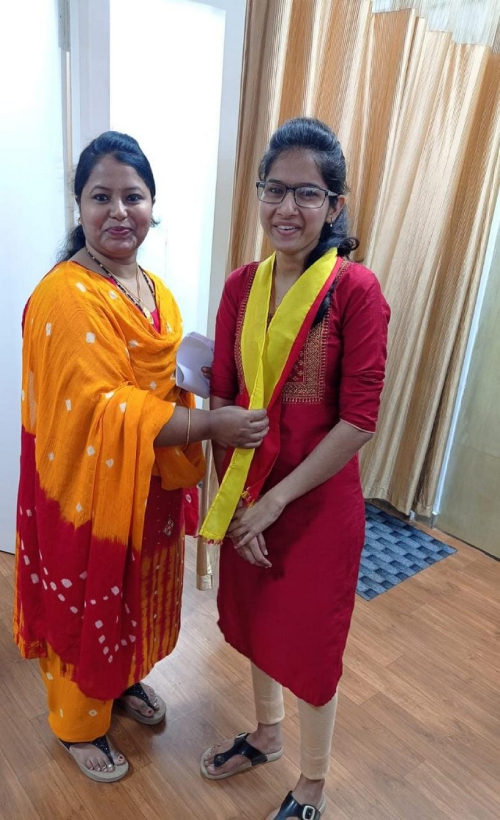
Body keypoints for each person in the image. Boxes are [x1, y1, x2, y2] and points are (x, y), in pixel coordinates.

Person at [13, 131, 268, 783]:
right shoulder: (66, 296)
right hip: (87, 493)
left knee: (130, 595)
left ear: (154, 204)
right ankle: (78, 724)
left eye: (134, 196)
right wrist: (210, 422)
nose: (119, 211)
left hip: (147, 486)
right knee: (90, 597)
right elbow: (106, 409)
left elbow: (162, 382)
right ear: (79, 206)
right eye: (101, 197)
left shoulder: (156, 290)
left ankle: (121, 680)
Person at [200, 118, 390, 819]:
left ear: (334, 205)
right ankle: (267, 734)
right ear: (258, 194)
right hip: (250, 493)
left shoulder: (354, 290)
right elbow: (224, 397)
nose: (287, 207)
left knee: (309, 641)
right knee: (261, 622)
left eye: (307, 193)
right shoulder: (241, 287)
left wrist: (273, 504)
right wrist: (238, 502)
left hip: (314, 507)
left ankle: (312, 782)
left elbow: (359, 419)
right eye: (274, 189)